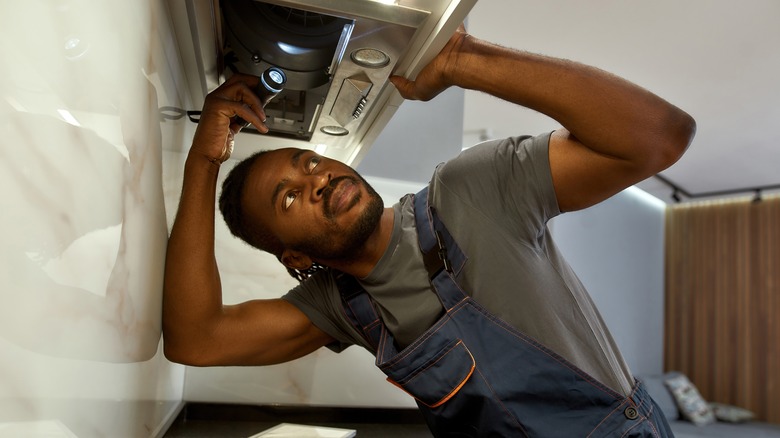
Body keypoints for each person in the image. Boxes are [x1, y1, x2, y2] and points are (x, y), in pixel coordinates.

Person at [163, 25, 695, 437]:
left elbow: (660, 138)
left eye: (310, 163)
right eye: (289, 197)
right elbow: (196, 341)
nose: (317, 181)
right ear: (295, 258)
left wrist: (461, 58)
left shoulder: (468, 191)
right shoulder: (342, 306)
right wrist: (203, 161)